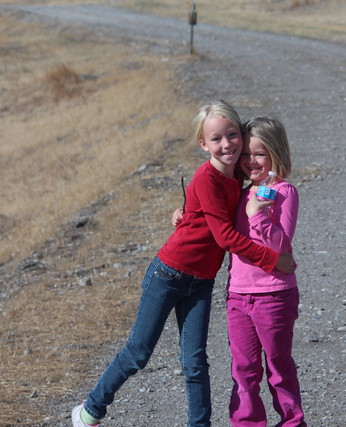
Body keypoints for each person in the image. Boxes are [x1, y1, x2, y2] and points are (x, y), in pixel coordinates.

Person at [71, 100, 295, 427]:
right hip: (168, 274)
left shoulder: (238, 181)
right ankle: (91, 410)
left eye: (233, 135)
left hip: (201, 282)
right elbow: (225, 237)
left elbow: (204, 211)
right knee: (138, 353)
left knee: (195, 362)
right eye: (216, 139)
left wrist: (184, 212)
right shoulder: (207, 177)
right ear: (203, 144)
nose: (227, 144)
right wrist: (272, 260)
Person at [174, 116, 305, 426]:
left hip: (274, 295)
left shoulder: (284, 192)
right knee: (243, 370)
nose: (250, 161)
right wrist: (185, 215)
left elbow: (281, 246)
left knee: (278, 366)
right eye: (246, 154)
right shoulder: (242, 191)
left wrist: (257, 217)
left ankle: (292, 421)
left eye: (259, 154)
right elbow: (217, 224)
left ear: (276, 153)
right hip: (238, 296)